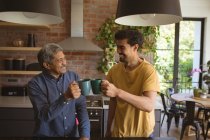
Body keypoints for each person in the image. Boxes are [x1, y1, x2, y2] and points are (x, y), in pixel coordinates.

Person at [101, 29, 160, 137]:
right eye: (117, 46)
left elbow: (149, 105)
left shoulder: (148, 71)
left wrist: (118, 92)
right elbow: (113, 102)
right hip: (118, 133)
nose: (118, 51)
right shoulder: (114, 70)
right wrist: (108, 129)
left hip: (142, 136)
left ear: (135, 47)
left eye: (122, 47)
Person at [27, 43, 90, 139]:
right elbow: (44, 116)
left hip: (72, 136)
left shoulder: (73, 77)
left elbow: (81, 107)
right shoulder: (35, 84)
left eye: (64, 58)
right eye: (60, 60)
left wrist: (85, 135)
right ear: (47, 65)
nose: (65, 63)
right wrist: (65, 97)